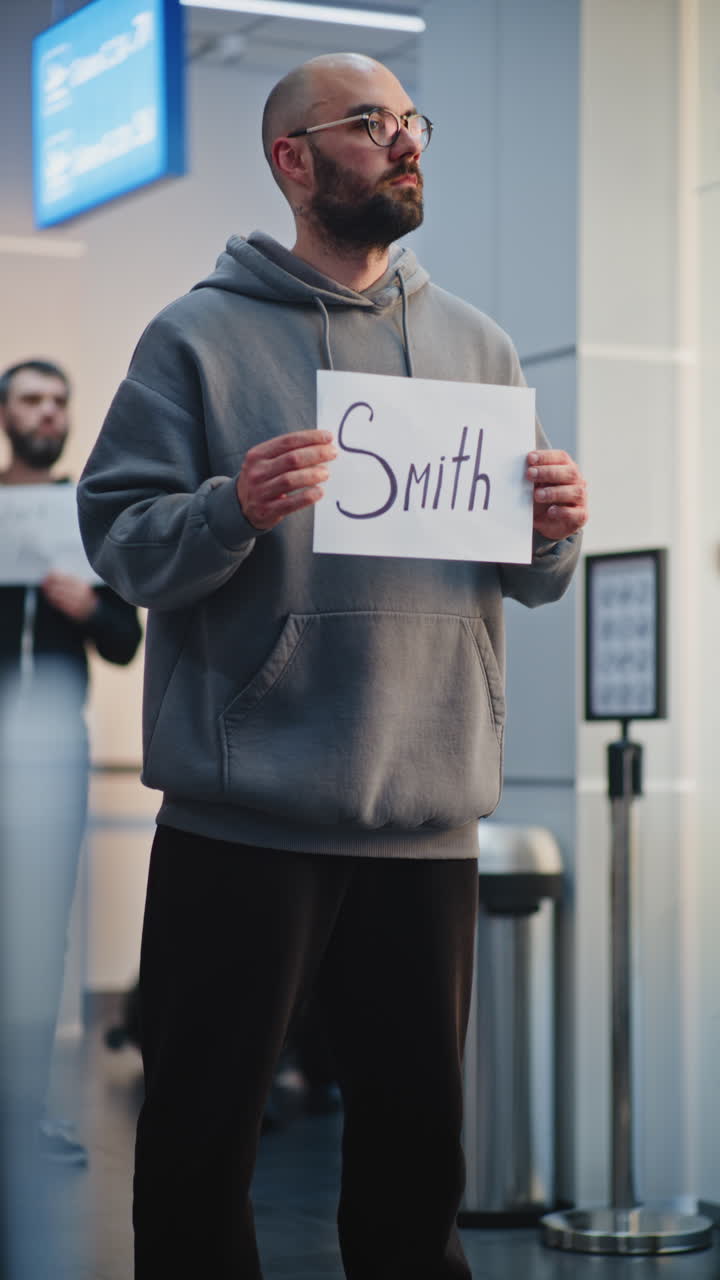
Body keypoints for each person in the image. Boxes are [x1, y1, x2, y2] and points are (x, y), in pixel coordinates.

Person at [77, 53, 588, 1280]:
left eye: (411, 121)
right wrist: (227, 508)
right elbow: (121, 537)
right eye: (369, 123)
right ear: (292, 160)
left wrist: (556, 529)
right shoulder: (195, 336)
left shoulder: (480, 346)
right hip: (244, 818)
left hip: (426, 816)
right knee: (200, 1153)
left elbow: (526, 577)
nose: (405, 142)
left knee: (418, 1170)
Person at [0, 359, 142, 1189]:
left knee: (40, 927)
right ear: (5, 413)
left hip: (54, 749)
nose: (47, 412)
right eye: (31, 399)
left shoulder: (89, 518)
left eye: (58, 401)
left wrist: (90, 607)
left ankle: (26, 1109)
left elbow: (126, 641)